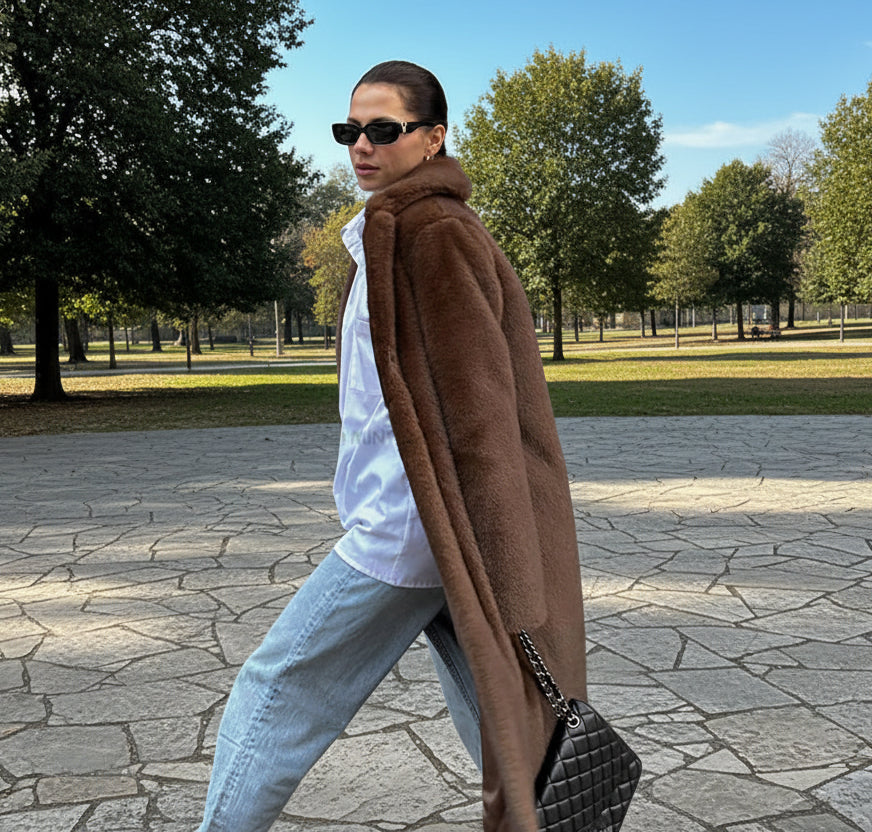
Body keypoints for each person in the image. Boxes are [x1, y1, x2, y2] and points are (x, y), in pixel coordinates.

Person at [197, 60, 586, 832]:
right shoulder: (393, 230)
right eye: (350, 130)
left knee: (277, 687)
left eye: (383, 129)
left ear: (434, 137)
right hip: (433, 528)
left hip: (414, 528)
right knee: (506, 721)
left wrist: (504, 565)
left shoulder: (435, 234)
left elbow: (481, 413)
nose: (361, 146)